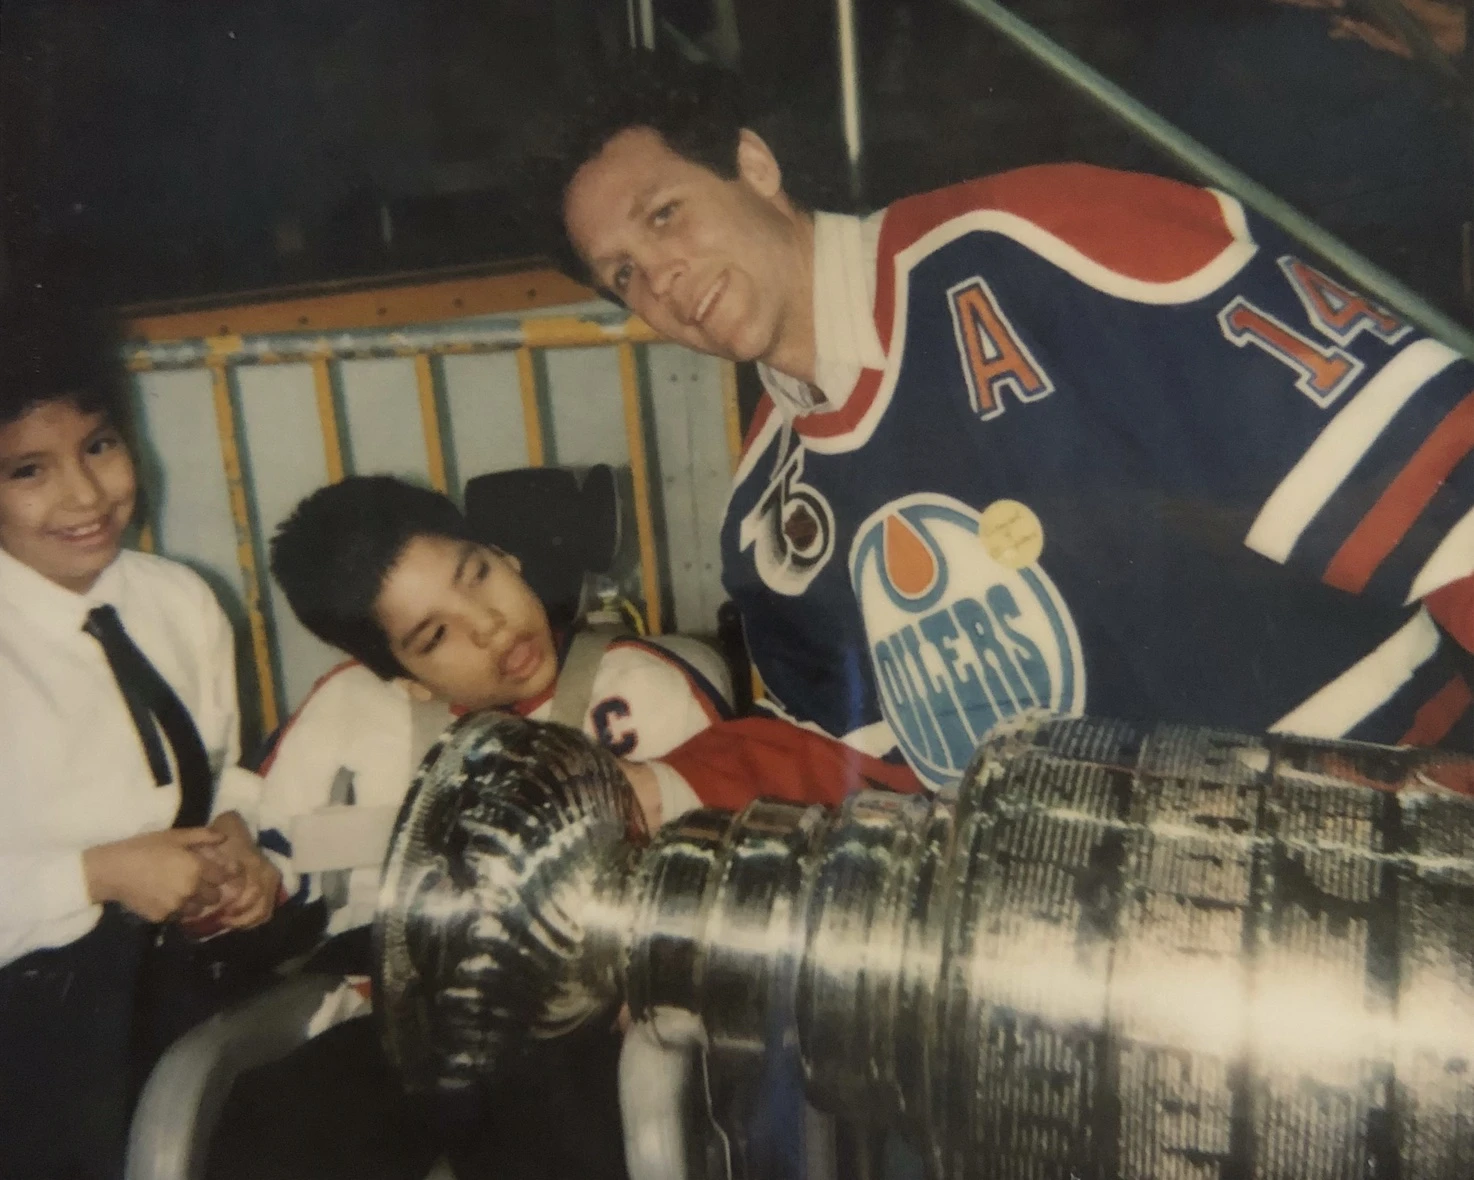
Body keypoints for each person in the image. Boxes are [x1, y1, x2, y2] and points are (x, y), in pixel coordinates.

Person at [549, 53, 1474, 800]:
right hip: (1130, 932)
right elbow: (870, 787)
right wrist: (658, 797)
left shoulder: (1037, 246)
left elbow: (1450, 496)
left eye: (665, 216)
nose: (660, 278)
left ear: (754, 166)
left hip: (1384, 806)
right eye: (623, 273)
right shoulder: (764, 522)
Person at [206, 473, 734, 1180]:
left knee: (552, 1121)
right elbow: (262, 848)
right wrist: (242, 877)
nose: (488, 624)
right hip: (394, 1028)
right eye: (435, 636)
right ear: (404, 679)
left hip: (589, 1026)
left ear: (505, 554)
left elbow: (715, 879)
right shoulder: (348, 713)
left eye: (477, 575)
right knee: (276, 1123)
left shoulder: (639, 690)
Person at [0, 297, 281, 1180]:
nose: (86, 496)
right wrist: (95, 875)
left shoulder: (181, 602)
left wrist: (241, 841)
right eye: (26, 471)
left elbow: (222, 773)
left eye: (98, 445)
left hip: (169, 993)